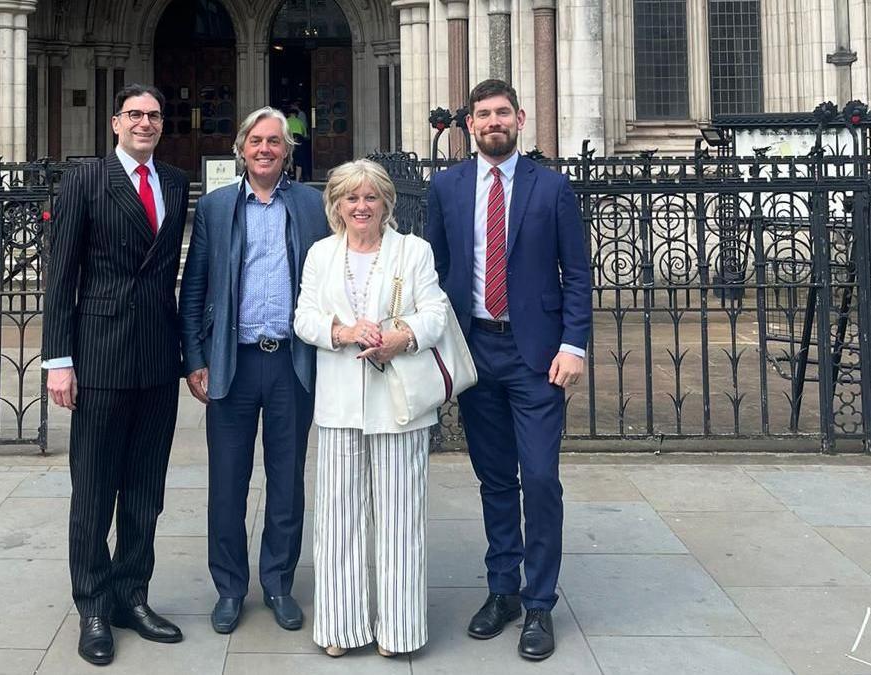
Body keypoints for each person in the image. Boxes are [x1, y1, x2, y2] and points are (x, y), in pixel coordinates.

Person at [424, 79, 592, 662]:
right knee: (494, 480)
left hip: (537, 355)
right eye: (482, 114)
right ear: (469, 124)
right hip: (475, 352)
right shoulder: (446, 186)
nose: (492, 122)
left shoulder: (553, 187)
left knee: (540, 478)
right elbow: (436, 269)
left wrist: (575, 345)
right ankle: (503, 590)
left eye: (502, 113)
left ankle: (540, 601)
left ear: (520, 118)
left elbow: (577, 271)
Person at [42, 83, 190, 667]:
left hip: (157, 357)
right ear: (114, 122)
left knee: (146, 492)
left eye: (154, 115)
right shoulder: (85, 180)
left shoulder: (175, 183)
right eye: (135, 115)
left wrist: (188, 354)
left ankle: (133, 594)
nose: (145, 124)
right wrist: (59, 360)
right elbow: (61, 277)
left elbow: (172, 276)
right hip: (100, 356)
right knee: (95, 489)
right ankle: (94, 605)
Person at [178, 107, 330, 635]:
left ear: (288, 151)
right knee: (228, 482)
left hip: (290, 362)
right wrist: (194, 358)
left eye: (276, 142)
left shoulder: (312, 204)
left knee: (286, 480)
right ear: (241, 148)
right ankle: (229, 587)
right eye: (257, 141)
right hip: (232, 363)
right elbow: (194, 286)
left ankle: (279, 583)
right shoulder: (219, 207)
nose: (266, 149)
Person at [293, 159, 449, 658]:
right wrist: (341, 332)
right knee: (338, 517)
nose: (361, 207)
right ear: (336, 205)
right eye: (351, 198)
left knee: (401, 516)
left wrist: (400, 340)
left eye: (371, 197)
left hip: (399, 403)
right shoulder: (321, 253)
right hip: (339, 403)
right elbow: (304, 318)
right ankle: (341, 625)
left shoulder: (413, 251)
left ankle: (399, 630)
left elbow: (436, 314)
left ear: (386, 203)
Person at [285, 107, 309, 182]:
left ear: (289, 114)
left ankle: (290, 171)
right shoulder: (300, 121)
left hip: (289, 138)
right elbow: (305, 134)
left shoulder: (285, 121)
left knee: (288, 156)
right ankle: (297, 180)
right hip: (299, 139)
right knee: (299, 160)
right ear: (296, 114)